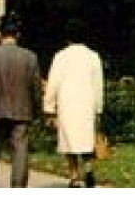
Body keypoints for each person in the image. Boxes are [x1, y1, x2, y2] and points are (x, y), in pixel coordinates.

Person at [0, 15, 41, 188]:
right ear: (17, 35)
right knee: (20, 150)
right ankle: (18, 186)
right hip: (23, 110)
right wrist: (37, 111)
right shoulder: (30, 57)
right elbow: (36, 87)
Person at [45, 35, 104, 188]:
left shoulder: (60, 56)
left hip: (67, 103)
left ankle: (74, 177)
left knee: (69, 140)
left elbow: (53, 83)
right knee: (87, 139)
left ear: (68, 39)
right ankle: (89, 169)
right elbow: (98, 85)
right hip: (87, 102)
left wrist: (49, 107)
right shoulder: (93, 56)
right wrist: (98, 108)